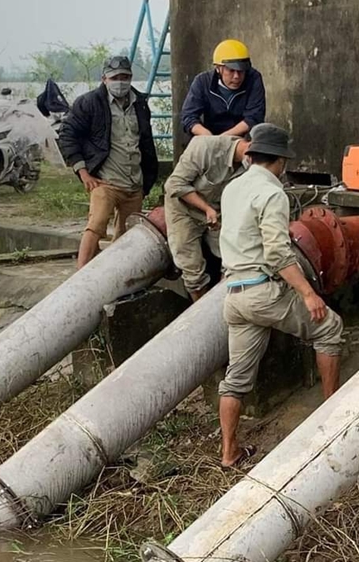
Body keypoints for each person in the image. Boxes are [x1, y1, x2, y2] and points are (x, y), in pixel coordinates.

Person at [217, 123, 344, 468]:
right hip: (263, 291)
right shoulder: (273, 194)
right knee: (329, 328)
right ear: (280, 161)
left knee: (236, 379)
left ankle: (229, 453)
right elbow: (276, 252)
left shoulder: (232, 188)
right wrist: (308, 293)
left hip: (234, 294)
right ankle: (333, 421)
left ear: (252, 156)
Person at [59, 56, 159, 268]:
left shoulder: (140, 104)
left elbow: (146, 142)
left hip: (134, 182)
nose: (120, 82)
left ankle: (114, 274)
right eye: (115, 77)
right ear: (104, 79)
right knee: (95, 226)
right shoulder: (89, 103)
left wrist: (147, 181)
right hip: (105, 181)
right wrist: (83, 172)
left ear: (131, 77)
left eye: (125, 77)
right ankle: (81, 274)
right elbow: (68, 134)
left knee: (127, 236)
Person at [164, 135, 251, 302]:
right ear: (249, 146)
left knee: (233, 260)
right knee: (191, 267)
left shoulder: (250, 169)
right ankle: (199, 310)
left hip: (218, 213)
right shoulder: (204, 147)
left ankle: (222, 305)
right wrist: (206, 209)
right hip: (183, 209)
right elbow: (174, 185)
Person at [180, 39, 266, 138]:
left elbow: (254, 117)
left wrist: (222, 139)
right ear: (218, 68)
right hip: (209, 137)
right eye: (231, 70)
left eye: (241, 71)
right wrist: (207, 136)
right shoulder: (202, 82)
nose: (236, 76)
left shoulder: (254, 79)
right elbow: (188, 116)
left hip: (242, 138)